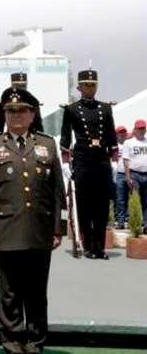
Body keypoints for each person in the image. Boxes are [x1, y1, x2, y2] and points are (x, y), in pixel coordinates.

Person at [0, 88, 65, 354]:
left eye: (22, 110)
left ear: (32, 114)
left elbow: (58, 191)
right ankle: (12, 343)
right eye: (11, 111)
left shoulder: (47, 144)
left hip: (40, 231)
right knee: (10, 293)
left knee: (37, 292)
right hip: (5, 232)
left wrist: (59, 228)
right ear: (4, 115)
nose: (16, 115)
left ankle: (35, 343)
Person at [59, 69, 117, 259]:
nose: (90, 88)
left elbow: (111, 136)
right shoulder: (71, 109)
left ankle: (100, 247)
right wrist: (65, 163)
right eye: (87, 85)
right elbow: (65, 139)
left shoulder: (105, 109)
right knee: (84, 206)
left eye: (93, 85)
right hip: (83, 162)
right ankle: (89, 246)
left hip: (101, 162)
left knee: (101, 206)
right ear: (79, 87)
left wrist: (114, 161)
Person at [123, 119, 147, 234]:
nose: (142, 131)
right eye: (140, 129)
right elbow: (126, 160)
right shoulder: (129, 143)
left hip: (146, 174)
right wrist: (128, 176)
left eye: (143, 128)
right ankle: (135, 224)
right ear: (135, 130)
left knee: (146, 201)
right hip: (135, 174)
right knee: (135, 200)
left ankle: (146, 225)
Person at [113, 125, 130, 229]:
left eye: (124, 132)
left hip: (130, 173)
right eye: (120, 133)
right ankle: (120, 219)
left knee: (131, 197)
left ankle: (129, 218)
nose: (122, 134)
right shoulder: (114, 145)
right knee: (119, 199)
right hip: (117, 174)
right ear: (116, 134)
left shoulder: (130, 143)